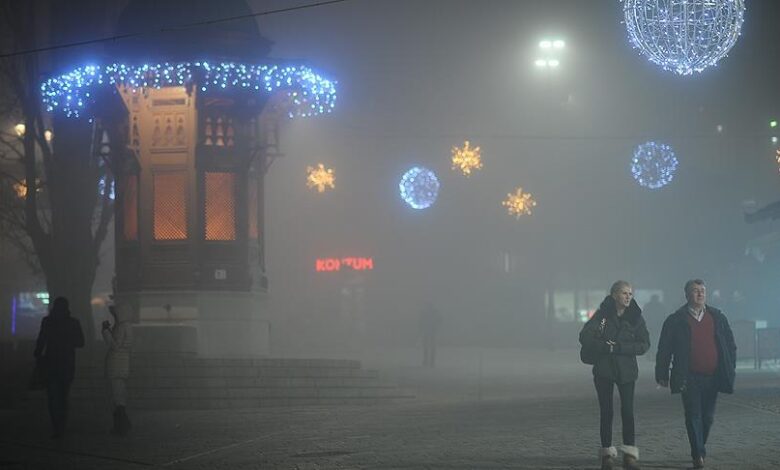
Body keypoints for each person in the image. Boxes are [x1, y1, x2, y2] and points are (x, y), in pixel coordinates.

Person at [656, 279, 736, 469]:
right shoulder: (676, 320)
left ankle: (700, 445)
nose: (700, 294)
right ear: (687, 295)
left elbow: (730, 345)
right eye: (695, 291)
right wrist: (662, 373)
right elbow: (664, 349)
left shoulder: (717, 317)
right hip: (689, 375)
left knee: (707, 417)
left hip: (713, 375)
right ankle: (697, 454)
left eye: (702, 291)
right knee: (693, 415)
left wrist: (729, 365)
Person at [579, 281, 649, 470]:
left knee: (628, 412)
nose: (628, 297)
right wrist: (605, 348)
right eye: (624, 293)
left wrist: (618, 348)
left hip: (627, 371)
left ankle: (629, 455)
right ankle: (607, 454)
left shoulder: (636, 317)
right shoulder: (601, 316)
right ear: (614, 295)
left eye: (630, 294)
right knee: (606, 412)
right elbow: (584, 337)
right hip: (604, 370)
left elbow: (644, 344)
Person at [33, 297, 85, 438]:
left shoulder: (48, 322)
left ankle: (56, 425)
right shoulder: (73, 323)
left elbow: (41, 340)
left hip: (51, 363)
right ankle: (62, 424)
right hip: (67, 363)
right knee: (63, 395)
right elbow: (81, 342)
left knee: (53, 396)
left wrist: (38, 354)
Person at [102, 303, 133, 436]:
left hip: (116, 364)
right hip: (122, 364)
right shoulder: (126, 326)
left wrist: (105, 331)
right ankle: (123, 424)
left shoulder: (121, 327)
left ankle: (121, 425)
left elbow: (115, 345)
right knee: (119, 394)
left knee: (117, 396)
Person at [418, 302, 441, 368]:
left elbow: (421, 321)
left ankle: (428, 360)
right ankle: (430, 360)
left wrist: (421, 328)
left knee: (428, 346)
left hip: (429, 331)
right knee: (429, 346)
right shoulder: (434, 312)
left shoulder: (425, 312)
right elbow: (440, 319)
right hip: (431, 331)